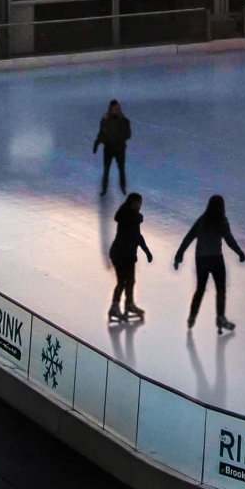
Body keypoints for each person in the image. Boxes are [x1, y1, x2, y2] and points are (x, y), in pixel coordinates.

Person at [173, 194, 245, 332]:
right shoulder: (222, 221)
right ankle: (220, 318)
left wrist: (179, 255)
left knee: (200, 289)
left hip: (201, 259)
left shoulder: (202, 220)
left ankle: (192, 316)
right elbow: (229, 240)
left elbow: (188, 238)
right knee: (221, 289)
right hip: (216, 258)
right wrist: (240, 253)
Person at [107, 191, 153, 322]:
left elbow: (138, 236)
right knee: (122, 281)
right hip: (119, 254)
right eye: (137, 203)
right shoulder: (127, 217)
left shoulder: (132, 216)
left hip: (128, 256)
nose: (139, 205)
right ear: (131, 203)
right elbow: (136, 233)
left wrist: (147, 251)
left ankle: (129, 304)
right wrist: (146, 251)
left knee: (130, 281)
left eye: (140, 203)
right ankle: (114, 307)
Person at [92, 98, 131, 192]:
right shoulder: (105, 120)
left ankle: (123, 188)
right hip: (108, 149)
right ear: (110, 109)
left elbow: (128, 135)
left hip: (120, 150)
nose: (116, 110)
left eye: (117, 108)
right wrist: (97, 143)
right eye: (114, 108)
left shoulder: (125, 121)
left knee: (121, 170)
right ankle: (104, 190)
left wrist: (119, 137)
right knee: (106, 171)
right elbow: (101, 133)